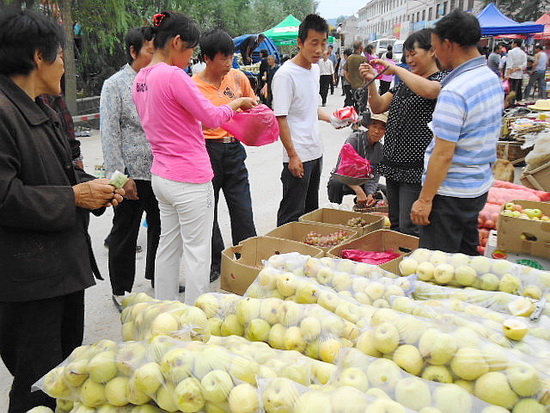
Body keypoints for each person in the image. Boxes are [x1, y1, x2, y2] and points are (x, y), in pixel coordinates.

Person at [0, 9, 124, 411]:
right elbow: (5, 196)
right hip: (28, 280)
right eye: (60, 55)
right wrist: (74, 197)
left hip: (61, 270)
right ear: (39, 56)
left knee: (63, 374)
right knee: (37, 383)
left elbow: (62, 171)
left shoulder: (42, 107)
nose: (64, 65)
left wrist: (97, 190)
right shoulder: (3, 113)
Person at [132, 11, 256, 304]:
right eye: (190, 50)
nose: (191, 57)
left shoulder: (141, 78)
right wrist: (237, 103)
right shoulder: (174, 76)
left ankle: (165, 311)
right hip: (189, 177)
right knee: (198, 252)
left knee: (168, 247)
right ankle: (194, 319)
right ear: (176, 42)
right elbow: (211, 117)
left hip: (161, 175)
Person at [410, 10, 503, 254]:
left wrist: (425, 200)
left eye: (436, 47)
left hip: (449, 195)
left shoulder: (455, 91)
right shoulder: (490, 78)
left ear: (448, 44)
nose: (435, 53)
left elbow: (443, 154)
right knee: (465, 258)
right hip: (475, 189)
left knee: (437, 265)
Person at [359, 29, 446, 237]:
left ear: (432, 51)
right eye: (407, 55)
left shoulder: (441, 79)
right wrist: (372, 82)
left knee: (410, 226)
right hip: (393, 163)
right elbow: (378, 106)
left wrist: (396, 69)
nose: (409, 60)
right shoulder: (405, 84)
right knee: (396, 222)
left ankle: (413, 256)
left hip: (415, 167)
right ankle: (397, 255)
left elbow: (431, 91)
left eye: (413, 54)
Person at [100, 27, 162, 311]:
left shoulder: (158, 79)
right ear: (134, 51)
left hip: (160, 169)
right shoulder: (114, 85)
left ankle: (159, 276)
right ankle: (121, 290)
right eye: (150, 50)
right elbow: (109, 135)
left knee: (161, 226)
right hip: (130, 175)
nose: (155, 55)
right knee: (125, 231)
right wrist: (119, 178)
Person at [193, 28, 257, 283]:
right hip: (207, 150)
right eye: (223, 58)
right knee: (209, 210)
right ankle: (216, 261)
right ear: (207, 58)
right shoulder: (194, 86)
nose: (229, 62)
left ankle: (248, 258)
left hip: (234, 149)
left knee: (242, 208)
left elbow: (253, 105)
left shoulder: (238, 78)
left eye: (231, 56)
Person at [272, 14, 350, 226]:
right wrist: (292, 155)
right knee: (291, 215)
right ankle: (282, 246)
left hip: (315, 152)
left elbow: (310, 108)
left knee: (309, 213)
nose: (319, 50)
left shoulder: (315, 70)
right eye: (314, 43)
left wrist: (333, 119)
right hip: (298, 154)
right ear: (300, 42)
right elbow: (281, 118)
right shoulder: (285, 75)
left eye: (323, 43)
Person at [327, 112, 387, 209]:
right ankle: (334, 208)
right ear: (368, 126)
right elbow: (341, 170)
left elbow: (374, 177)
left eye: (381, 128)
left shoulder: (380, 150)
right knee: (335, 183)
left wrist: (370, 194)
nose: (377, 131)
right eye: (374, 126)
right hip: (345, 179)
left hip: (364, 181)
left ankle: (363, 205)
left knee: (385, 191)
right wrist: (358, 190)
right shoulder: (354, 139)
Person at [344, 40, 368, 115]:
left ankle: (355, 118)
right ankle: (360, 118)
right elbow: (368, 72)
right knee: (362, 106)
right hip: (363, 86)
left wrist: (350, 80)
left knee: (355, 104)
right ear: (361, 48)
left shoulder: (349, 58)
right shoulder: (363, 59)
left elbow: (345, 71)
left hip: (353, 86)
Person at [505, 39, 527, 104]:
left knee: (511, 91)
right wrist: (517, 69)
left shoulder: (511, 52)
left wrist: (507, 74)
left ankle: (510, 103)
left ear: (515, 44)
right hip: (519, 75)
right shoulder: (523, 53)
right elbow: (524, 65)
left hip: (511, 74)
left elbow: (509, 64)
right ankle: (515, 102)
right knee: (516, 90)